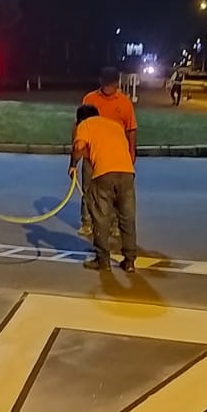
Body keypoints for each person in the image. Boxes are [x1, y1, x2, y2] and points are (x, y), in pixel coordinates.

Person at [70, 104, 138, 272]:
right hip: (127, 172)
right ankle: (129, 261)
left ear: (80, 119)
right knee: (127, 218)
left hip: (104, 175)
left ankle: (103, 261)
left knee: (101, 217)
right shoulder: (114, 126)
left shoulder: (85, 125)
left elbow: (79, 147)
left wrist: (72, 165)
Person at [78, 67, 137, 237]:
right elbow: (80, 125)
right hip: (92, 153)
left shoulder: (124, 102)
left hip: (115, 155)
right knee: (88, 189)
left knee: (117, 192)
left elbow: (131, 128)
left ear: (117, 84)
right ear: (100, 81)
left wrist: (132, 150)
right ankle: (87, 221)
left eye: (111, 85)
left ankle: (115, 224)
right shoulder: (90, 99)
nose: (108, 88)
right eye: (105, 84)